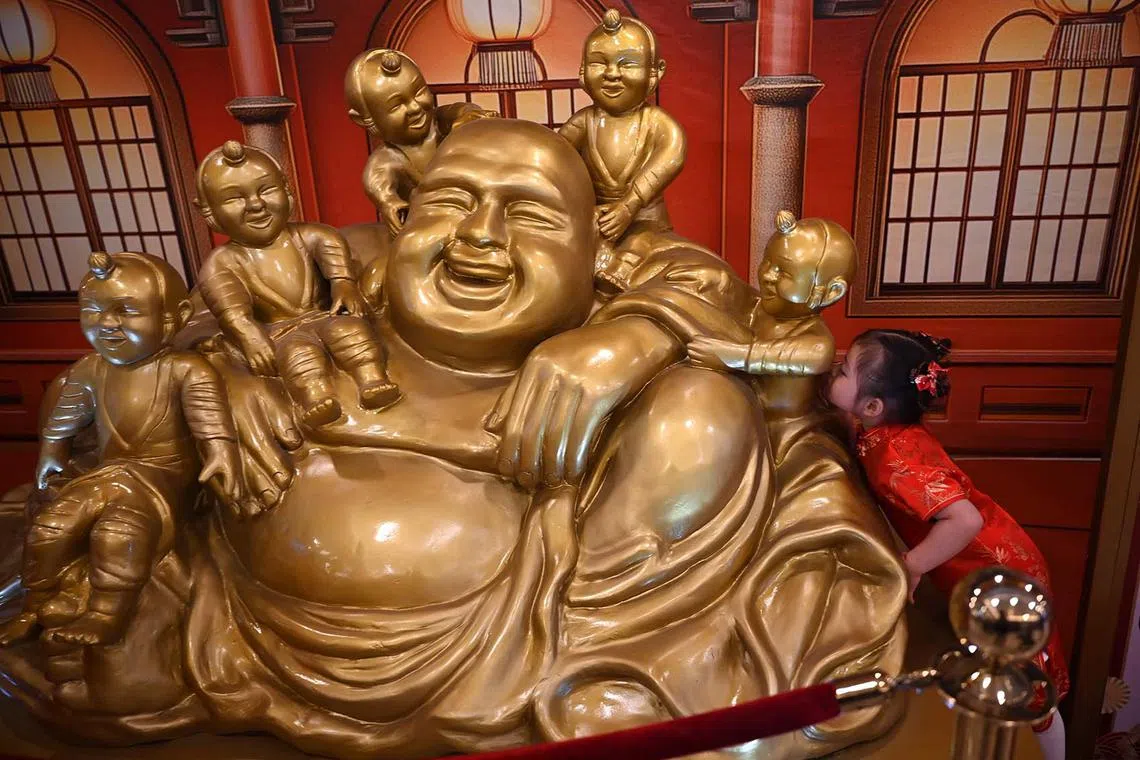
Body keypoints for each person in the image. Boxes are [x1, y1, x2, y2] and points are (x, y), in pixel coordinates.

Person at [827, 328, 1070, 760]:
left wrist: (913, 563)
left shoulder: (897, 458)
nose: (833, 374)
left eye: (843, 371)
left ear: (873, 406)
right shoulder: (882, 431)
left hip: (1002, 577)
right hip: (981, 567)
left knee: (1028, 695)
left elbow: (965, 519)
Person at [0, 252, 241, 648]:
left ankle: (107, 613)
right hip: (106, 474)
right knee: (51, 529)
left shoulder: (186, 370)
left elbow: (210, 421)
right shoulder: (90, 370)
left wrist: (220, 454)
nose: (107, 324)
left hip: (160, 481)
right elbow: (64, 419)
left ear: (174, 318)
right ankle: (35, 607)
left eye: (126, 311)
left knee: (118, 534)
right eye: (94, 311)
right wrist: (52, 450)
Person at [195, 141, 400, 427]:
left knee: (352, 332)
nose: (256, 205)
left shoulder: (307, 234)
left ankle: (372, 380)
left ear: (288, 191)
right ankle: (315, 399)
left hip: (324, 314)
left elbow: (331, 245)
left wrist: (343, 283)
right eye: (234, 199)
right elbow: (231, 309)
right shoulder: (224, 261)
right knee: (300, 357)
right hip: (280, 330)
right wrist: (248, 335)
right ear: (208, 211)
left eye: (266, 190)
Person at [559, 7, 685, 286]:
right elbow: (556, 155)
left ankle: (619, 273)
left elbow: (670, 157)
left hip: (645, 217)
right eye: (599, 63)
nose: (612, 74)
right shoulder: (584, 122)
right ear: (582, 71)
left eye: (627, 64)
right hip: (595, 216)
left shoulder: (656, 123)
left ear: (656, 72)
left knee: (642, 245)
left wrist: (630, 205)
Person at [344, 49, 496, 236]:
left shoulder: (442, 122)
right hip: (432, 226)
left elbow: (463, 110)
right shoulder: (390, 158)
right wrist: (389, 202)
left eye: (419, 92)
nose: (415, 107)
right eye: (396, 106)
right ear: (364, 120)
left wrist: (469, 121)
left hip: (482, 212)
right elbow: (377, 181)